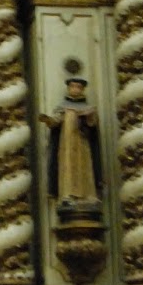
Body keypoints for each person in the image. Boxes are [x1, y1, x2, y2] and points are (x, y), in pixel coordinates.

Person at [41, 75, 102, 209]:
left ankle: (88, 195)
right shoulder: (62, 107)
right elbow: (55, 122)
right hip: (67, 145)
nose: (75, 89)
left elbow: (92, 125)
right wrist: (48, 120)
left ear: (83, 89)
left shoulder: (88, 107)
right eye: (73, 86)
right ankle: (67, 195)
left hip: (82, 144)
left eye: (78, 87)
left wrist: (89, 116)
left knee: (85, 167)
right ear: (68, 88)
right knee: (67, 167)